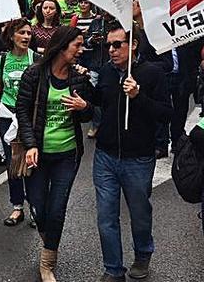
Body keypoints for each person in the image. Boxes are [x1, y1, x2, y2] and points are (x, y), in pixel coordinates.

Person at [92, 22, 172, 282]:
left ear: (133, 44)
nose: (111, 50)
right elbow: (98, 103)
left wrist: (138, 96)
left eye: (117, 44)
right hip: (105, 156)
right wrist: (84, 99)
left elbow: (165, 113)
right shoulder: (105, 72)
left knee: (139, 213)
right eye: (108, 46)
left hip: (137, 158)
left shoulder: (152, 73)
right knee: (106, 216)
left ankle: (143, 253)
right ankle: (113, 269)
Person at [16, 26, 95, 282]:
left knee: (57, 208)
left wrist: (85, 106)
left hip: (67, 154)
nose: (81, 51)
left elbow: (87, 114)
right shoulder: (34, 74)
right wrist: (31, 144)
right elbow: (23, 112)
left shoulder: (79, 77)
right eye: (77, 46)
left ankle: (47, 262)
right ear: (62, 47)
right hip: (37, 154)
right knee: (39, 206)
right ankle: (49, 236)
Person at [0, 19, 37, 227]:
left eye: (29, 33)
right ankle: (17, 207)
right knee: (12, 163)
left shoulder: (36, 59)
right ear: (11, 36)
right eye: (21, 33)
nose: (26, 37)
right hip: (7, 115)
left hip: (29, 118)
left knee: (32, 163)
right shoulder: (2, 60)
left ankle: (35, 207)